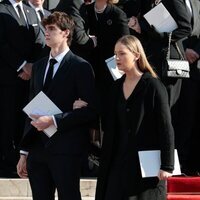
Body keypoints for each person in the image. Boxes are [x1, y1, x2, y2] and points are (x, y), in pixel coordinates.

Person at [17, 11, 98, 200]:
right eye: (45, 29)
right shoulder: (38, 66)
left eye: (52, 29)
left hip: (66, 149)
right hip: (37, 149)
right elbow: (32, 109)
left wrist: (53, 120)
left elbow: (91, 111)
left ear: (66, 33)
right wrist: (24, 152)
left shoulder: (81, 66)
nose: (46, 32)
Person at [95, 35, 174, 200]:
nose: (117, 58)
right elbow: (108, 120)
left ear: (136, 55)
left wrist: (167, 165)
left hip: (144, 167)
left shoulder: (153, 86)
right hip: (117, 162)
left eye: (122, 53)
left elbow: (165, 127)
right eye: (115, 54)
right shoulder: (116, 87)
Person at [0, 0, 45, 177]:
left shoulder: (30, 10)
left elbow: (38, 40)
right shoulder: (2, 9)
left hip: (29, 80)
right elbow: (2, 44)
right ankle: (6, 163)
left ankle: (21, 161)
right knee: (7, 122)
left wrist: (32, 67)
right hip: (8, 79)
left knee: (24, 122)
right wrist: (22, 65)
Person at [175, 0, 200, 175]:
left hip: (196, 66)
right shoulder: (170, 2)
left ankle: (192, 164)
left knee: (193, 115)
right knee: (178, 114)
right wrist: (183, 49)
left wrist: (196, 50)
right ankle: (179, 163)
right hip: (175, 63)